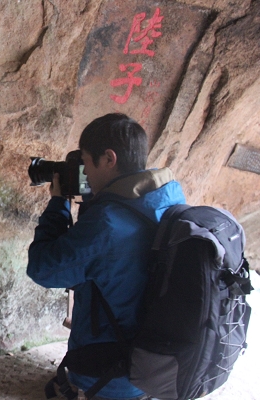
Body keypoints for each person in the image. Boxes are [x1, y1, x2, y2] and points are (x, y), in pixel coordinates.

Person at [27, 113, 186, 400]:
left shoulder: (106, 225)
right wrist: (94, 200)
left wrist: (58, 203)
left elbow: (42, 268)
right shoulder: (165, 201)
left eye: (86, 162)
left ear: (109, 159)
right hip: (155, 368)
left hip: (109, 376)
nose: (84, 171)